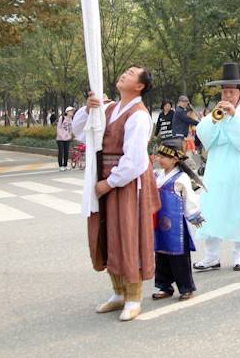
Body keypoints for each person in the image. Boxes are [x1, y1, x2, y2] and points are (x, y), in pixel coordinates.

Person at [72, 66, 161, 322]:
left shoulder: (139, 115)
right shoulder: (108, 108)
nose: (125, 73)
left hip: (127, 182)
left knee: (127, 234)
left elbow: (134, 160)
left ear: (140, 86)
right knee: (107, 233)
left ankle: (134, 297)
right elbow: (80, 131)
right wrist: (88, 108)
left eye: (132, 73)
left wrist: (109, 183)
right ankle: (118, 292)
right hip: (106, 178)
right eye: (126, 70)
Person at [193, 63, 240, 273]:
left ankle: (238, 256)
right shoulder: (216, 113)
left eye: (232, 92)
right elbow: (203, 134)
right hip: (217, 169)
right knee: (212, 209)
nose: (228, 96)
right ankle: (211, 256)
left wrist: (234, 116)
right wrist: (215, 120)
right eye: (225, 92)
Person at [152, 144, 202, 302]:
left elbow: (189, 198)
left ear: (175, 159)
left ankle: (186, 288)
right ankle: (164, 286)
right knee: (161, 254)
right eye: (159, 156)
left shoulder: (181, 178)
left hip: (176, 227)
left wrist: (193, 215)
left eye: (163, 157)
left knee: (179, 256)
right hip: (160, 223)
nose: (159, 159)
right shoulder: (158, 175)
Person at [56, 107, 75, 171]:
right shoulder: (62, 118)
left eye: (72, 111)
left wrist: (71, 135)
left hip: (67, 138)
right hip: (60, 139)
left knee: (66, 152)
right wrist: (62, 136)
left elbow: (71, 128)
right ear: (67, 112)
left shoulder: (71, 119)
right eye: (71, 111)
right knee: (61, 152)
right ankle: (61, 165)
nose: (72, 112)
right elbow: (58, 128)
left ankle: (65, 165)